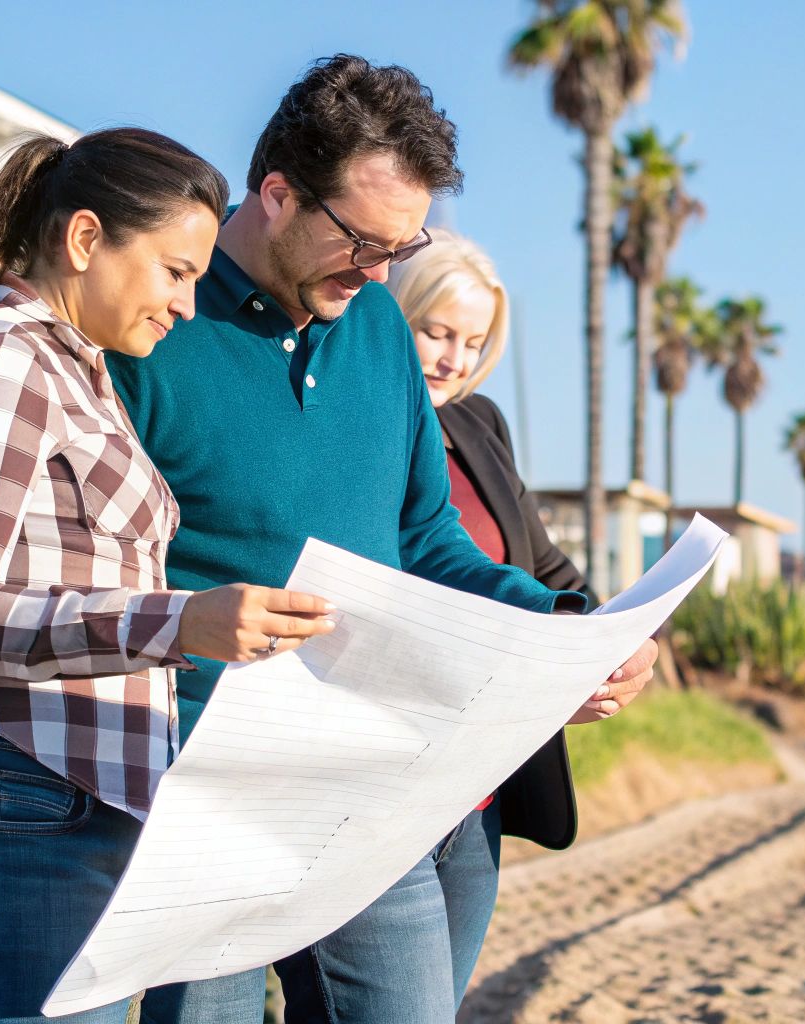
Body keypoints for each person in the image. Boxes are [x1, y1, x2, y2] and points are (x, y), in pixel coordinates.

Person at [105, 56, 659, 1023]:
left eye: (402, 249)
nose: (377, 273)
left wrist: (564, 628)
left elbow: (428, 538)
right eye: (362, 241)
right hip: (197, 790)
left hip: (363, 782)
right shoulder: (153, 324)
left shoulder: (379, 333)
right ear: (278, 193)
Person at [0, 127, 335, 1024]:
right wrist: (177, 622)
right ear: (84, 239)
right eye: (175, 272)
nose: (187, 305)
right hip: (5, 807)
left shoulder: (80, 376)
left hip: (57, 810)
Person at [268, 230, 586, 1015]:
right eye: (436, 332)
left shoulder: (481, 426)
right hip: (369, 785)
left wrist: (600, 631)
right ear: (388, 314)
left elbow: (544, 568)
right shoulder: (337, 415)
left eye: (473, 343)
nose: (453, 360)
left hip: (474, 793)